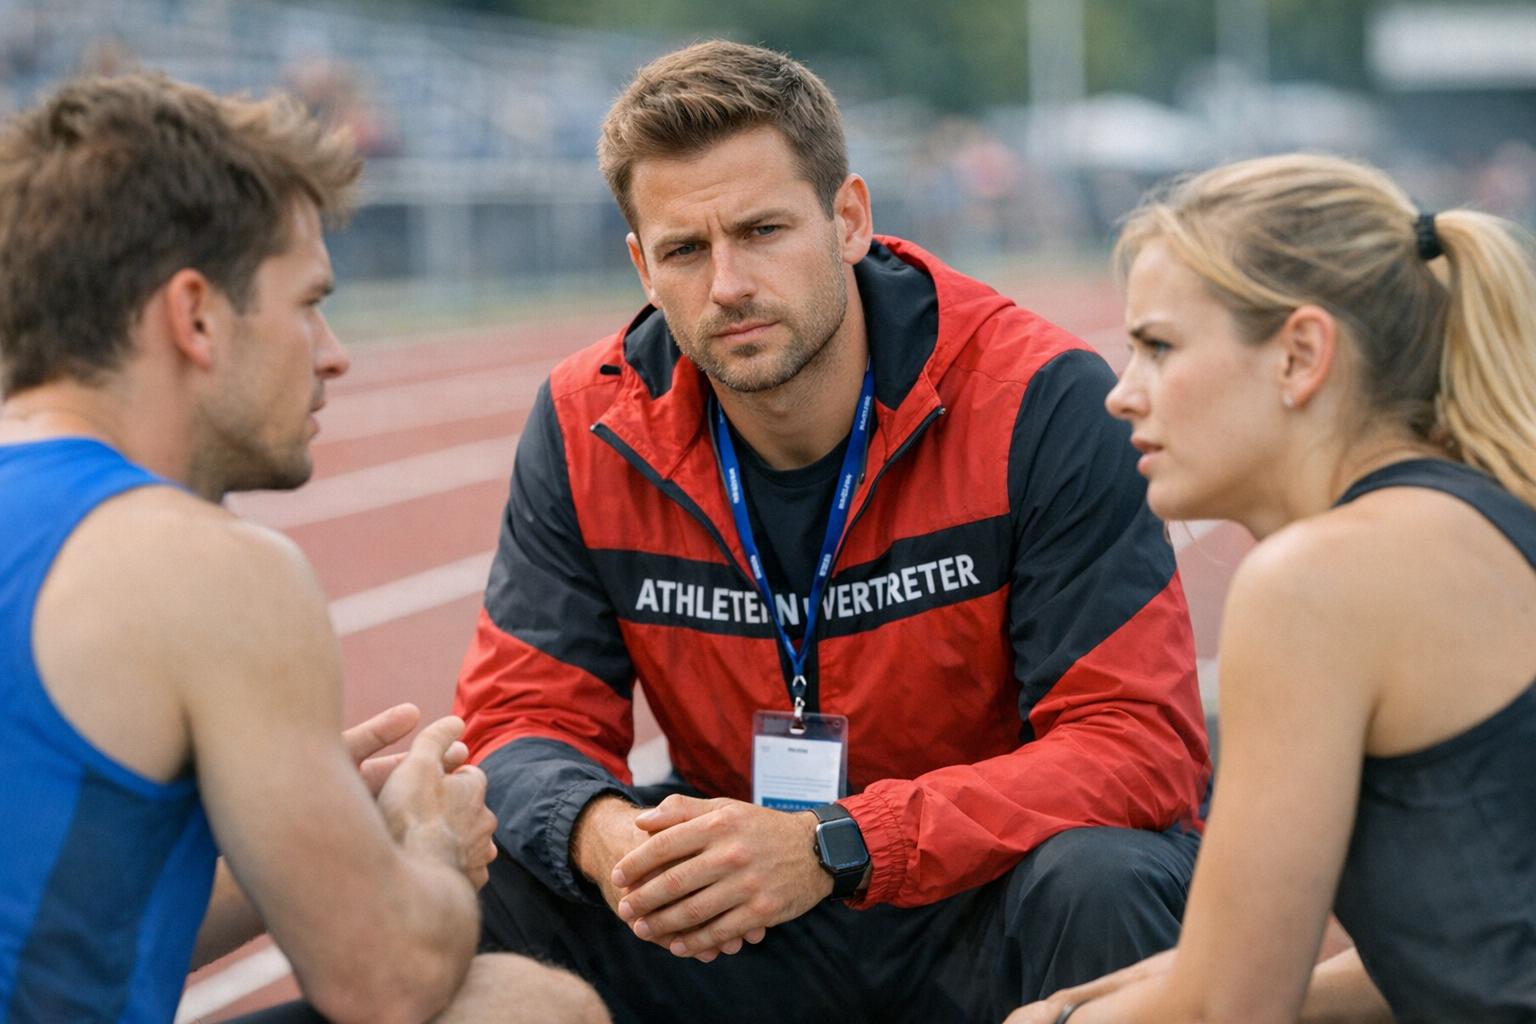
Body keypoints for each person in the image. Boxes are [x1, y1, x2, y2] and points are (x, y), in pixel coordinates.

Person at [454, 40, 1211, 1022]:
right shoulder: (585, 424)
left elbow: (1136, 745)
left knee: (1105, 877)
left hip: (979, 895)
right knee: (487, 874)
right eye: (686, 251)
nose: (728, 284)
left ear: (849, 219)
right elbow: (516, 720)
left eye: (763, 231)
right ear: (642, 264)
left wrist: (836, 843)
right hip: (746, 913)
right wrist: (609, 840)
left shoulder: (1035, 399)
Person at [0, 73, 607, 1024]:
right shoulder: (203, 566)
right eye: (308, 303)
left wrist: (305, 842)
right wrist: (426, 843)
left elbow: (66, 923)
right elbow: (388, 980)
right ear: (196, 315)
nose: (333, 352)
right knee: (531, 1007)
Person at [1008, 154, 1536, 1023]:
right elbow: (1473, 935)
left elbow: (1230, 1007)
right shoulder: (1486, 516)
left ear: (1300, 354)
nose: (1120, 395)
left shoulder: (1314, 583)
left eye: (1158, 348)